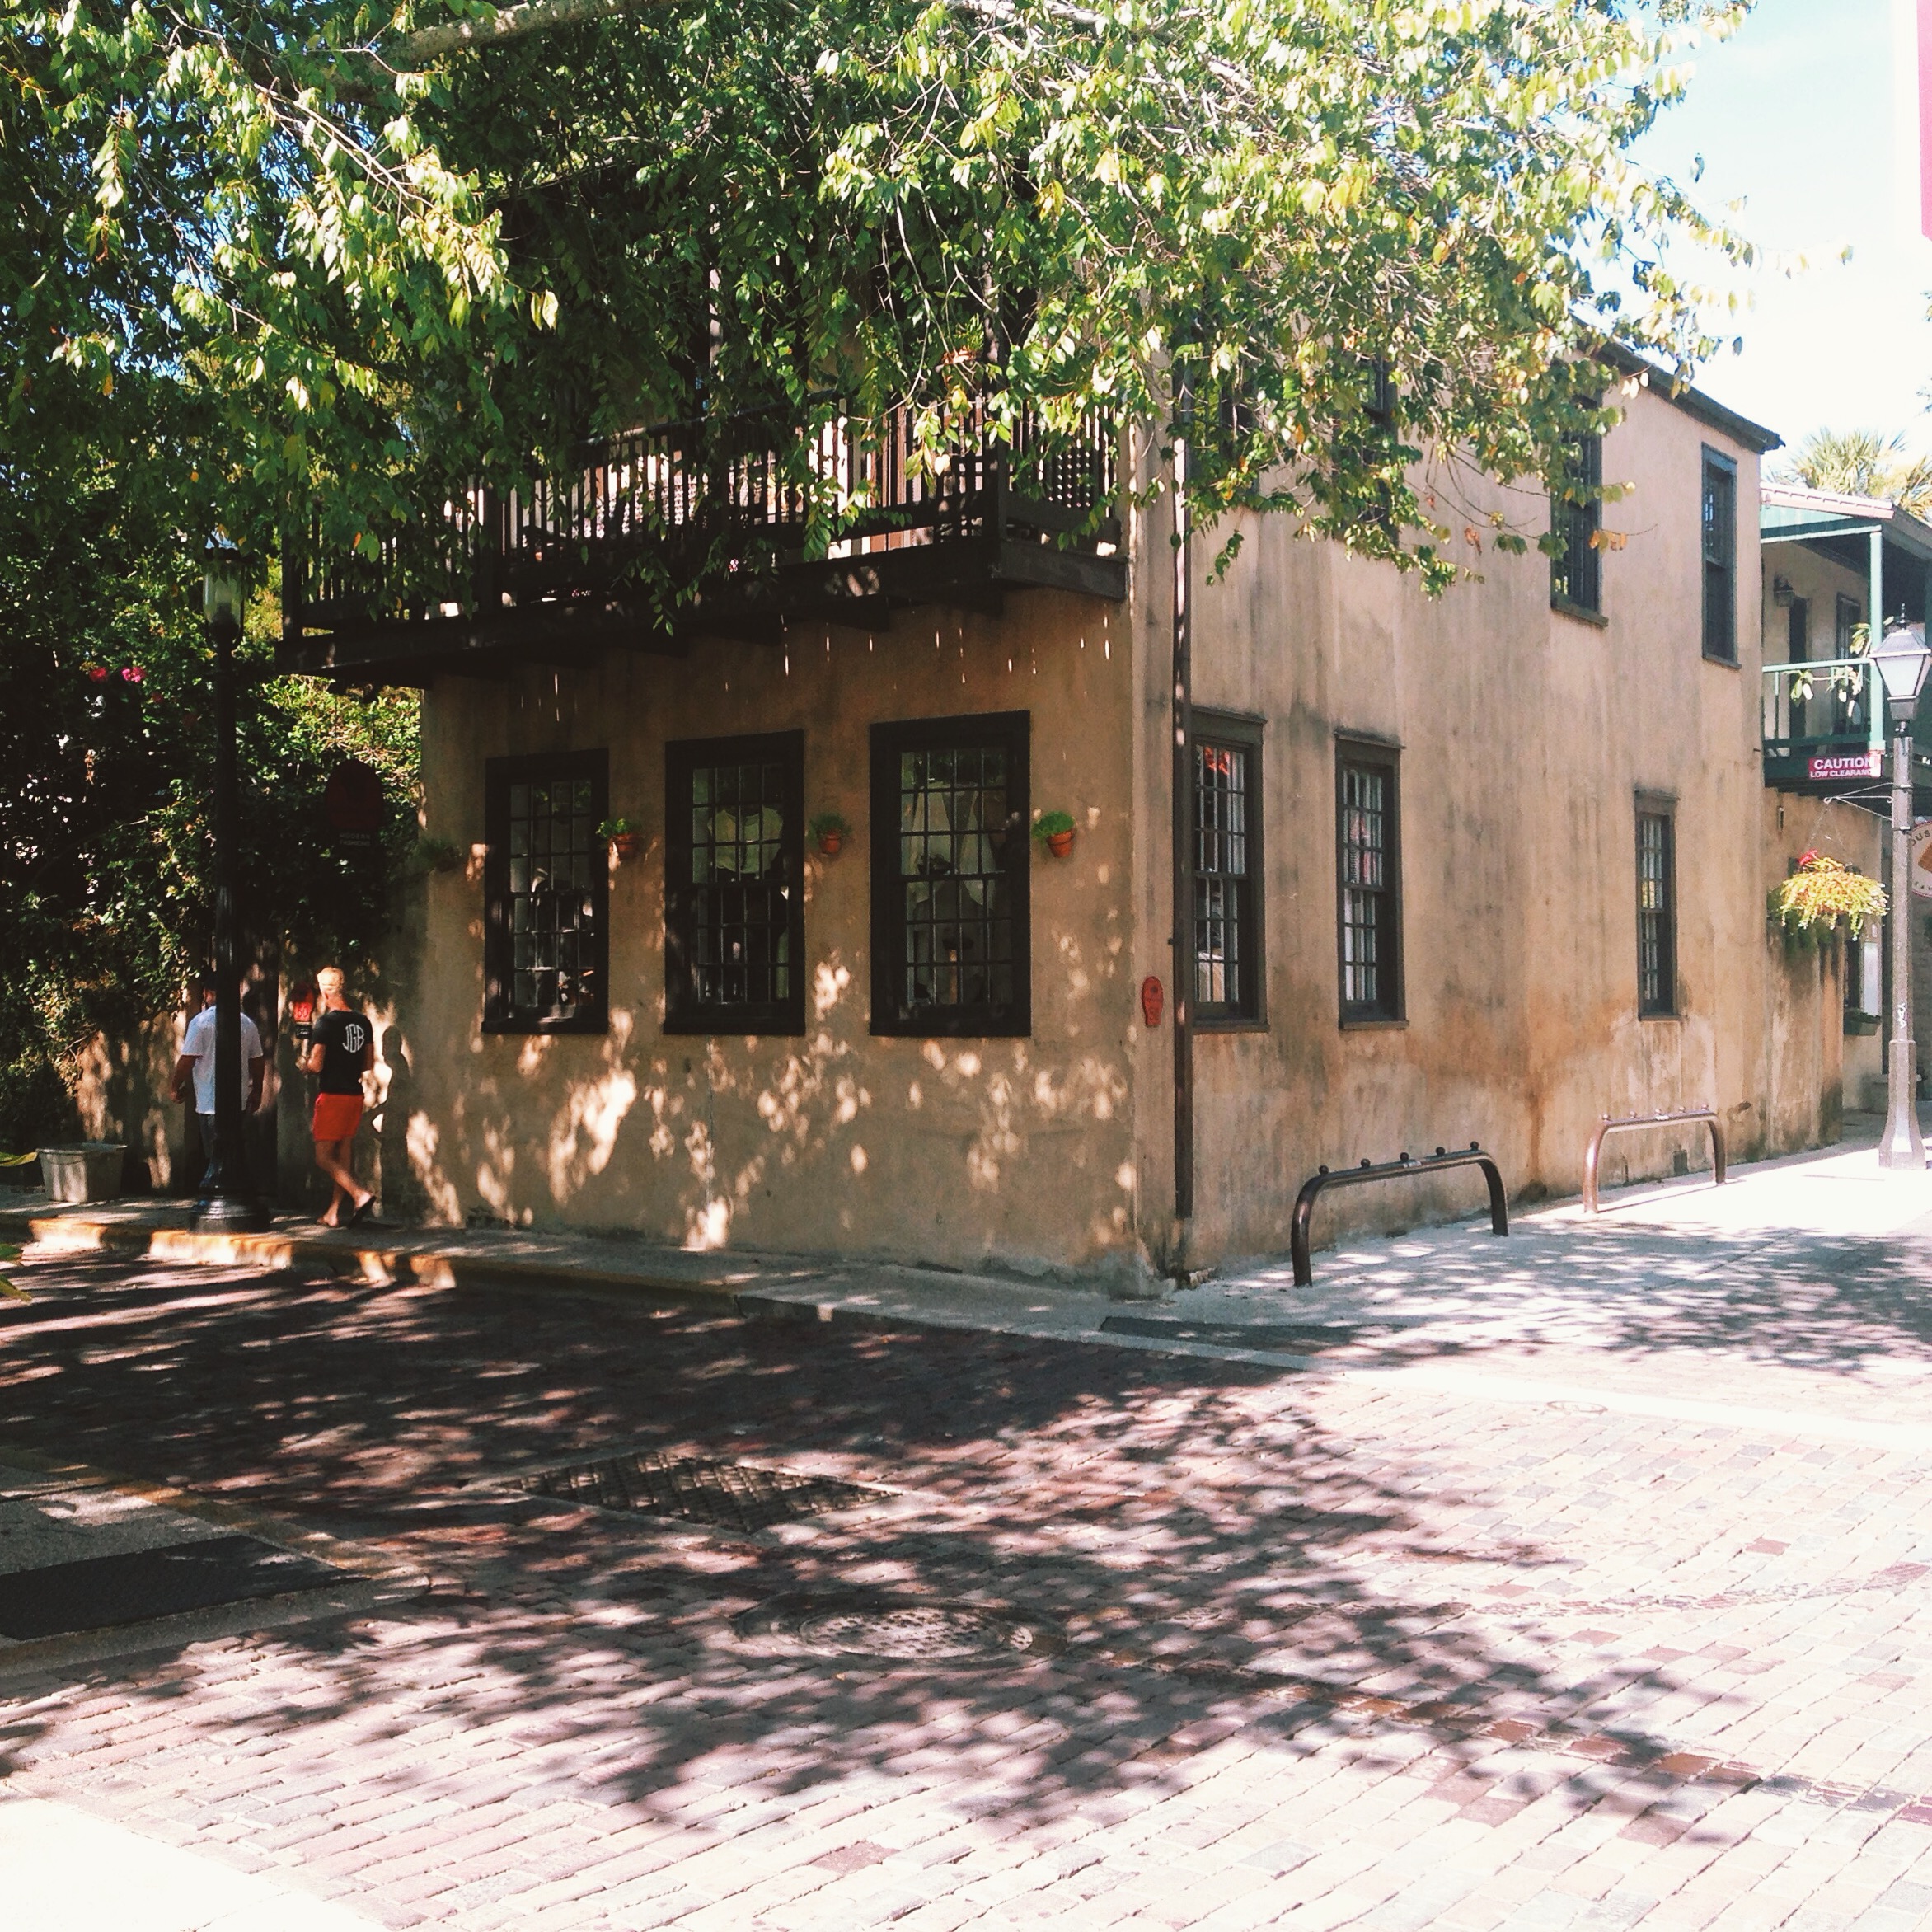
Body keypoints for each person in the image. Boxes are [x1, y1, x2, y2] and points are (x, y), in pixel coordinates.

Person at [169, 974, 265, 1187]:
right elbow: (257, 1060)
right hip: (238, 1100)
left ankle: (219, 1189)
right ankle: (236, 1188)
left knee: (215, 1155)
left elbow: (187, 1059)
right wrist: (257, 1090)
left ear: (207, 994)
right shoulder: (246, 1023)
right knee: (235, 1151)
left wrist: (175, 1086)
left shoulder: (201, 1022)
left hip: (209, 1101)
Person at [302, 967, 376, 1228]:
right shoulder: (363, 1021)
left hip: (332, 1095)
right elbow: (368, 1063)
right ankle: (333, 1213)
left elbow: (316, 1065)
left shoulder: (326, 1023)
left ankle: (359, 1194)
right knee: (343, 1153)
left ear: (324, 992)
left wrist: (304, 1064)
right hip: (354, 1094)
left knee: (323, 1157)